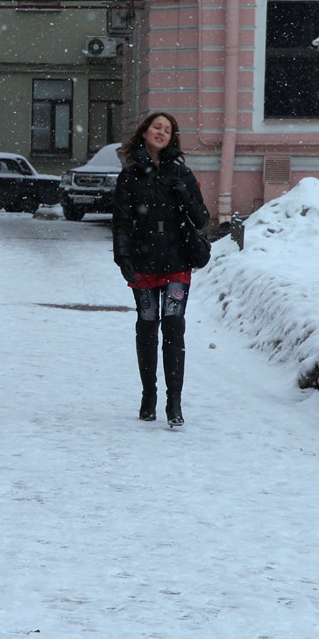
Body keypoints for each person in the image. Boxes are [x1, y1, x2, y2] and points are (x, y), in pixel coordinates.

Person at [112, 112, 210, 427]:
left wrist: (183, 194)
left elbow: (203, 219)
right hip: (143, 262)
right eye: (157, 126)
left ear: (171, 138)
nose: (161, 132)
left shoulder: (182, 174)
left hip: (176, 262)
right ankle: (149, 396)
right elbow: (122, 222)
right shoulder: (129, 176)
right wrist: (122, 257)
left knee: (173, 327)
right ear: (144, 132)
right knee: (147, 327)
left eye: (167, 130)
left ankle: (174, 402)